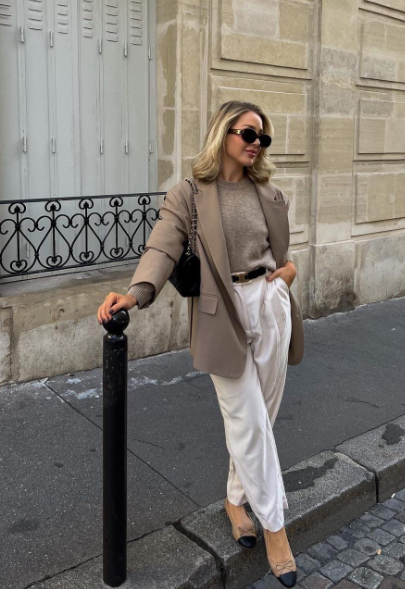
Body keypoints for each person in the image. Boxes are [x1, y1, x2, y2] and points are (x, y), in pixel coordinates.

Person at [97, 100, 304, 587]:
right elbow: (163, 246)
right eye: (248, 133)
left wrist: (285, 278)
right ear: (223, 134)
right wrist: (135, 292)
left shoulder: (270, 194)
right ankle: (276, 528)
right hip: (221, 310)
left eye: (263, 138)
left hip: (270, 305)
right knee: (247, 420)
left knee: (262, 418)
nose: (256, 144)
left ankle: (236, 499)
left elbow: (283, 255)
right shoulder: (189, 194)